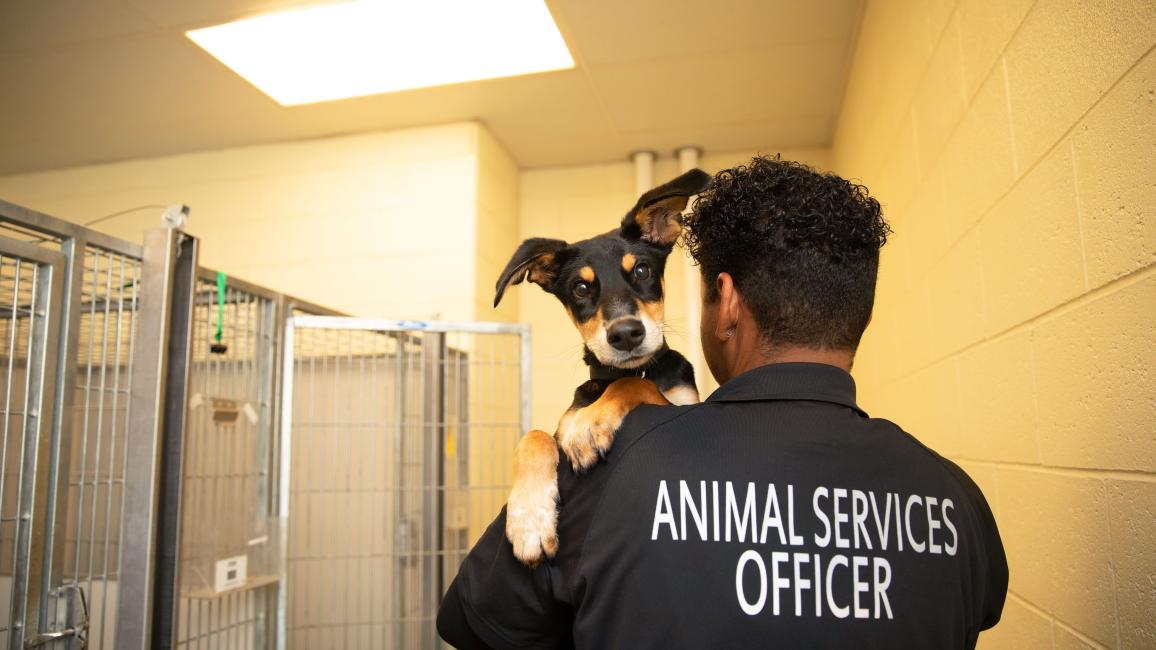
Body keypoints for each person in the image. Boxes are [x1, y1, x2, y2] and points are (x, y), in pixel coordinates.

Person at [437, 156, 1008, 649]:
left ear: (727, 304)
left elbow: (470, 622)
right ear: (860, 312)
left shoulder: (608, 474)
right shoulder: (959, 501)